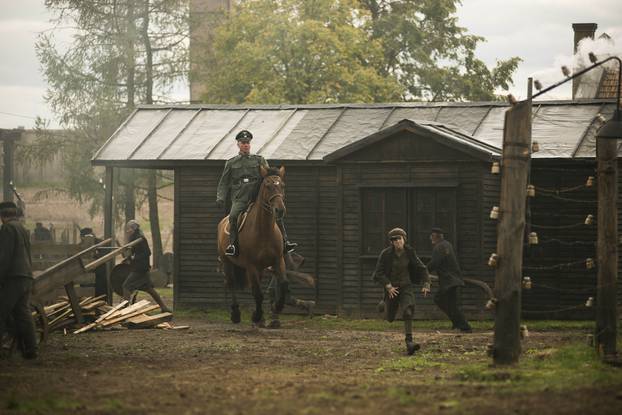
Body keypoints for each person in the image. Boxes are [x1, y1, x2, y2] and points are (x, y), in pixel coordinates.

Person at [216, 129, 297, 257]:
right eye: (243, 143)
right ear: (238, 144)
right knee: (233, 216)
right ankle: (233, 245)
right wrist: (220, 197)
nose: (245, 145)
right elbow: (223, 182)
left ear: (250, 144)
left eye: (247, 143)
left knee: (277, 212)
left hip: (257, 195)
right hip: (240, 197)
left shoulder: (259, 160)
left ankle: (285, 242)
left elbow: (270, 175)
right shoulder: (231, 162)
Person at [373, 228, 431, 355]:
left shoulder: (410, 252)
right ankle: (384, 305)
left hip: (406, 287)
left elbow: (422, 268)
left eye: (399, 238)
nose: (397, 242)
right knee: (390, 317)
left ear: (404, 239)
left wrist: (426, 283)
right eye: (394, 240)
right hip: (392, 289)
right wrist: (388, 286)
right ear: (391, 242)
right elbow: (378, 273)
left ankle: (409, 342)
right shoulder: (386, 254)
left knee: (408, 311)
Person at [0, 201, 38, 359]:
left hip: (13, 277)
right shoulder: (22, 228)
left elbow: (4, 256)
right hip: (25, 276)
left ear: (3, 216)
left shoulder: (7, 228)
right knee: (23, 313)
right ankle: (31, 349)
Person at [428, 227, 472, 333]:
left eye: (431, 236)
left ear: (435, 236)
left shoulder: (439, 247)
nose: (430, 238)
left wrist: (424, 271)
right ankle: (457, 323)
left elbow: (434, 263)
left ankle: (465, 326)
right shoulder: (447, 244)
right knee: (449, 303)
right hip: (452, 280)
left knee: (441, 300)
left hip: (449, 281)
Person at [121, 220, 171, 313]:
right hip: (140, 267)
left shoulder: (140, 238)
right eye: (127, 228)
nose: (128, 230)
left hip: (140, 268)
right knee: (149, 289)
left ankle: (125, 311)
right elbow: (134, 253)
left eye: (130, 228)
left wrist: (134, 257)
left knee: (126, 286)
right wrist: (128, 258)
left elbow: (147, 252)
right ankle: (164, 307)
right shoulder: (133, 238)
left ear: (134, 228)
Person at [80, 227, 107, 297]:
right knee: (85, 288)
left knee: (99, 289)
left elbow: (104, 254)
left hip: (99, 271)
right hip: (86, 272)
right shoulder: (81, 245)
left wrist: (95, 256)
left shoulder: (100, 243)